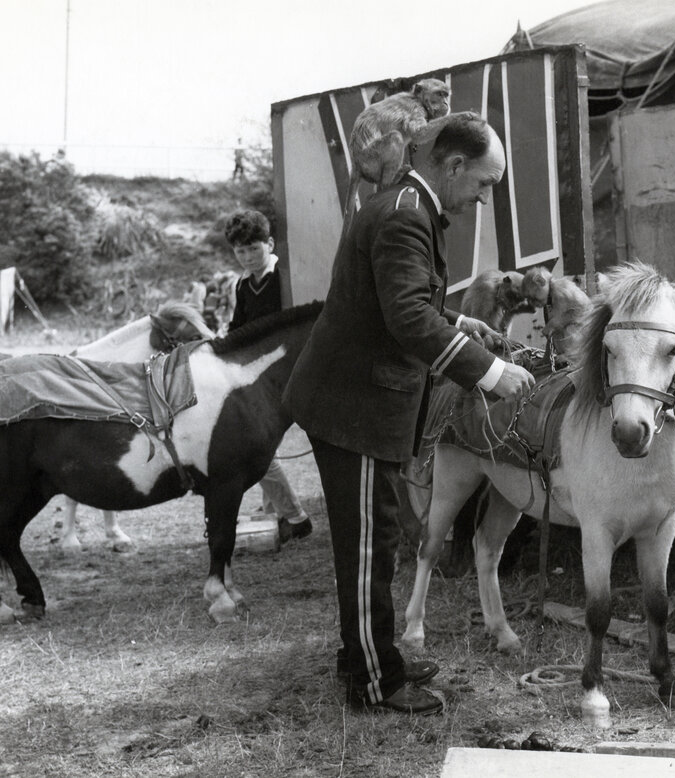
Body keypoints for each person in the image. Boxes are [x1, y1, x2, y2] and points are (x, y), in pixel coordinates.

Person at [285, 113, 534, 715]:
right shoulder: (405, 215)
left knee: (368, 540)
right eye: (483, 183)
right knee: (372, 543)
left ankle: (365, 657)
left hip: (351, 399)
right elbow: (407, 320)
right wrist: (493, 373)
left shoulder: (404, 205)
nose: (482, 197)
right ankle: (376, 679)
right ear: (452, 166)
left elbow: (407, 304)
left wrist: (459, 322)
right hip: (356, 406)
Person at [223, 209, 312, 543]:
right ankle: (280, 510)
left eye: (254, 249)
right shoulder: (244, 284)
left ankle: (292, 514)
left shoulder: (285, 276)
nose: (247, 257)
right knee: (261, 441)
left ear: (270, 243)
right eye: (241, 251)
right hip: (263, 374)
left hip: (293, 368)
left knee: (259, 445)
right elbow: (239, 329)